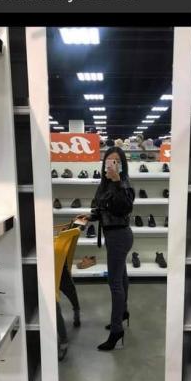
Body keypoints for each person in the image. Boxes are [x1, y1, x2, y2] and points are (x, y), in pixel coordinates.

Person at [81, 146, 134, 351]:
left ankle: (116, 330)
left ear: (122, 165)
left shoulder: (124, 183)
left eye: (116, 161)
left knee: (115, 283)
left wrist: (117, 181)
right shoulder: (104, 185)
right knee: (121, 277)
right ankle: (123, 313)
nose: (112, 165)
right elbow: (99, 208)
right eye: (109, 161)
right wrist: (89, 217)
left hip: (120, 236)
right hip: (113, 236)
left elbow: (123, 208)